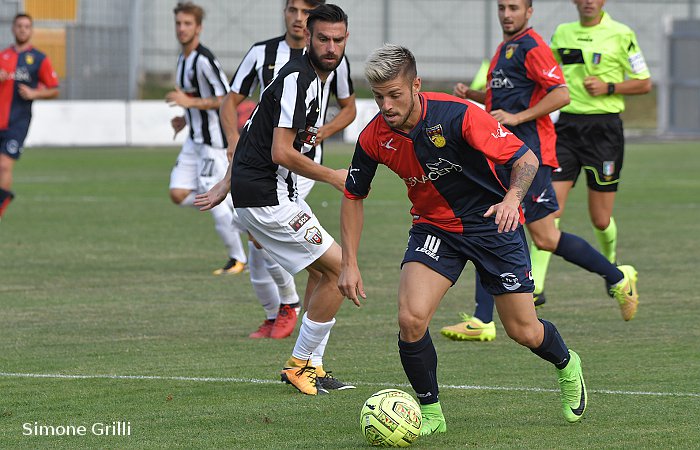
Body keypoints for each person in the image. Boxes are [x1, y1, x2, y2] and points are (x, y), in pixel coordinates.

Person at [339, 44, 587, 436]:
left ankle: (566, 362)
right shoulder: (374, 137)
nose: (385, 105)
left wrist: (511, 198)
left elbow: (525, 159)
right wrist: (349, 262)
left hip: (493, 226)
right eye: (379, 95)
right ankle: (432, 413)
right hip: (435, 229)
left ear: (416, 85)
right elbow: (354, 195)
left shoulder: (459, 114)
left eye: (395, 95)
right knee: (410, 318)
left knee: (523, 331)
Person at [441, 0, 640, 342]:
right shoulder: (507, 48)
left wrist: (517, 119)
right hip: (506, 155)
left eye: (514, 8)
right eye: (502, 7)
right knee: (496, 223)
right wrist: (474, 95)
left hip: (528, 158)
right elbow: (506, 102)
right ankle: (482, 319)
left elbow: (561, 94)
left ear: (528, 12)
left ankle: (617, 278)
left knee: (542, 236)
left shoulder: (533, 46)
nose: (506, 14)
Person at [196, 4, 356, 395]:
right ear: (309, 38)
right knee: (341, 272)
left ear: (345, 40)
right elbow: (281, 152)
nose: (331, 46)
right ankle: (299, 365)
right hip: (269, 197)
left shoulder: (317, 78)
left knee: (323, 274)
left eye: (338, 39)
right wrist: (333, 176)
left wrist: (225, 183)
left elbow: (253, 127)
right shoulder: (296, 79)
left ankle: (312, 367)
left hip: (268, 192)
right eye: (323, 39)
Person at [537, 0, 651, 301]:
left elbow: (644, 83)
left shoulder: (621, 34)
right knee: (551, 209)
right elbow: (545, 74)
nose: (588, 1)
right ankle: (536, 287)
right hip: (566, 129)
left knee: (600, 219)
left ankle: (613, 264)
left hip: (604, 132)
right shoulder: (562, 33)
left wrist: (609, 87)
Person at [166, 2, 246, 275]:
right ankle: (240, 207)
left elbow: (225, 99)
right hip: (194, 140)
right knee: (177, 193)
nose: (182, 28)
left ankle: (238, 259)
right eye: (178, 23)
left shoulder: (204, 60)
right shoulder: (182, 59)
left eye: (187, 23)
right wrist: (184, 117)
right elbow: (195, 102)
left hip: (213, 143)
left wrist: (188, 102)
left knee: (212, 200)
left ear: (198, 27)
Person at [0, 13, 59, 220]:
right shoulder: (2, 56)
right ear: (13, 29)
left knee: (4, 165)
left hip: (18, 122)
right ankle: (4, 196)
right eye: (19, 26)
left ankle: (1, 207)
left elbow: (54, 89)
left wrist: (35, 93)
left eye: (27, 26)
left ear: (31, 30)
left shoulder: (39, 59)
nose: (23, 30)